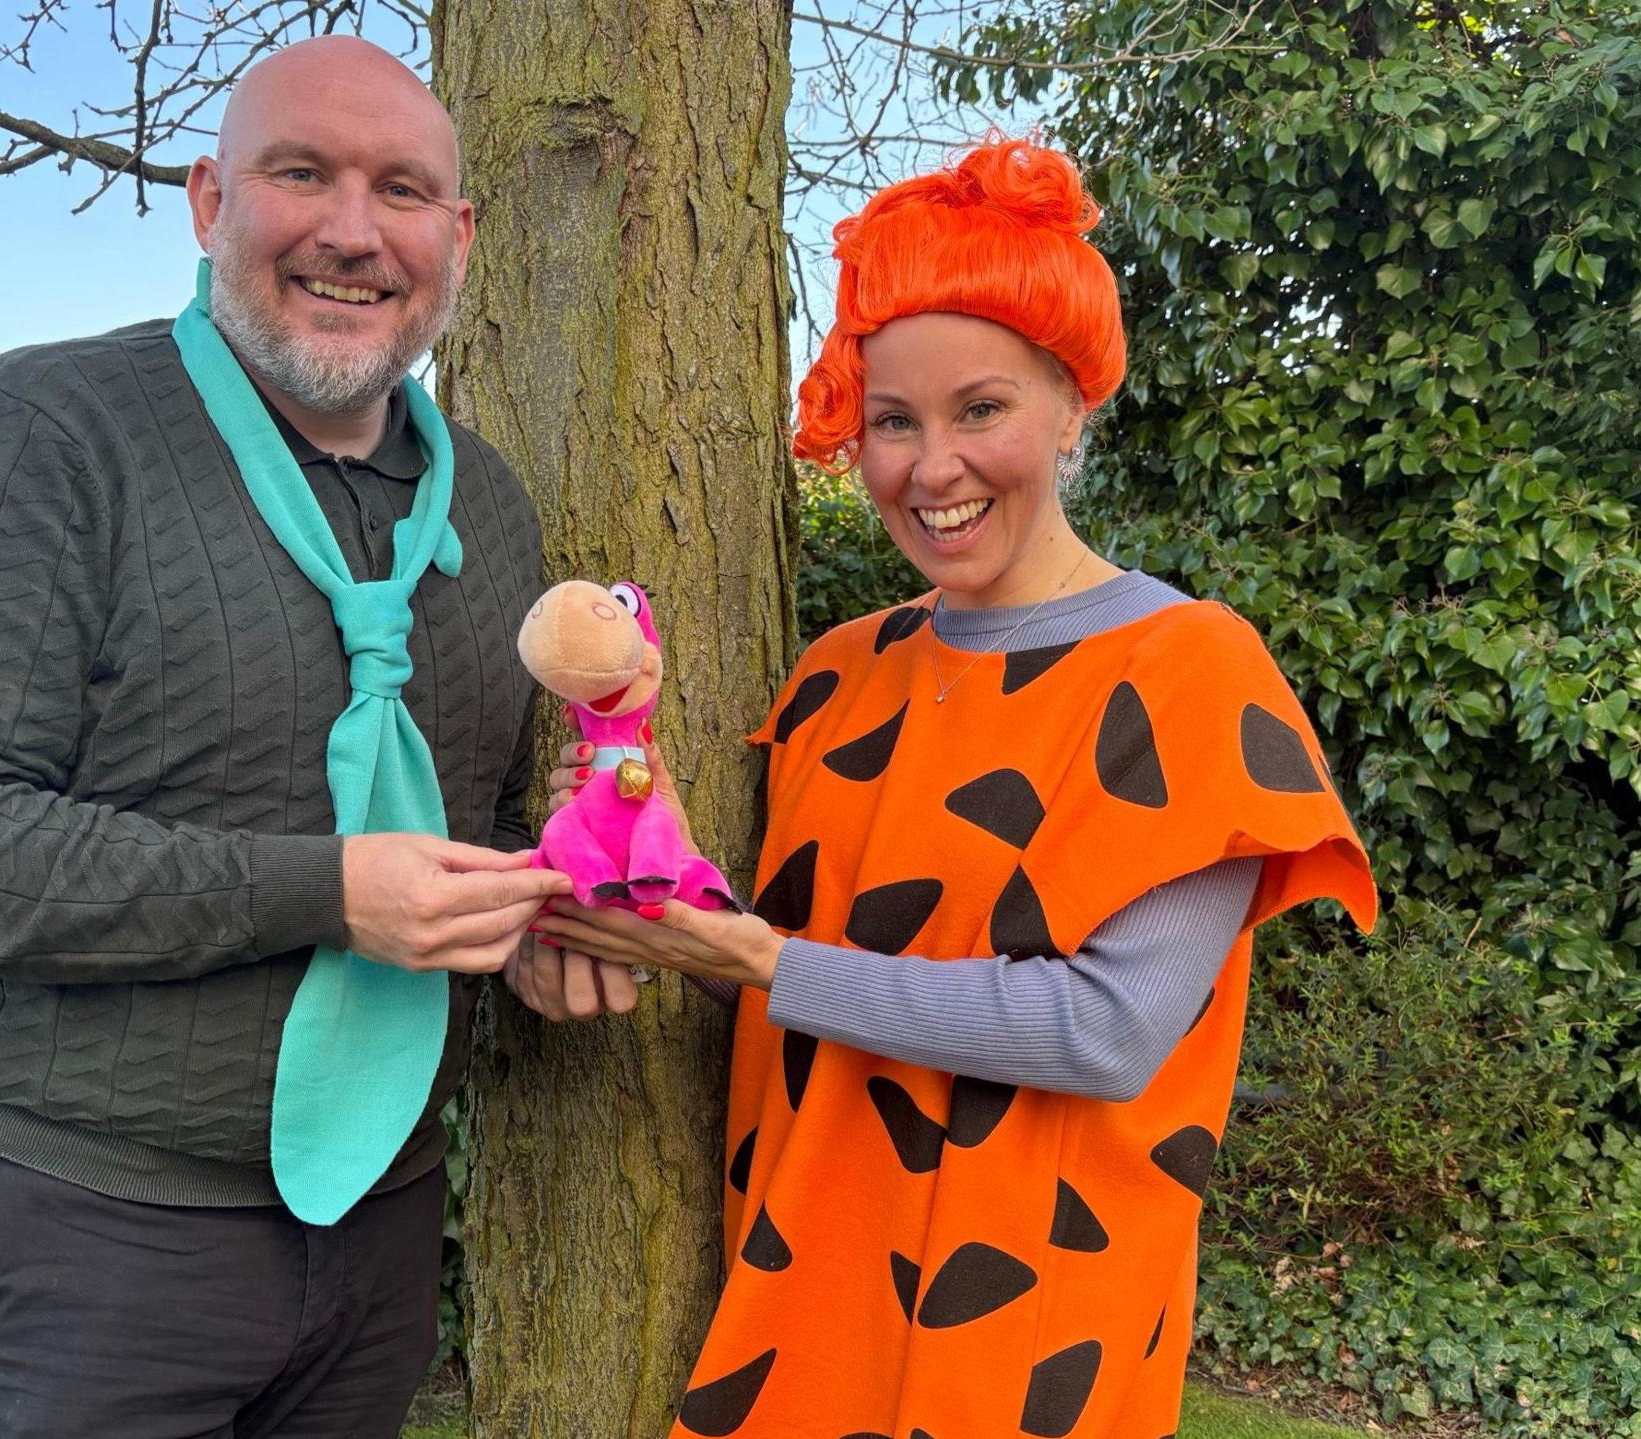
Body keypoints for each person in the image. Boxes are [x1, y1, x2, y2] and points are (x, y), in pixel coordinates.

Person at [518, 138, 1379, 1438]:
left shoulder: (1188, 671)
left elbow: (1108, 1032)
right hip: (801, 1304)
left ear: (1071, 410)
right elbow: (787, 973)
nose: (930, 468)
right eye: (893, 423)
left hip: (1030, 1339)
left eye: (981, 410)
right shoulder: (835, 676)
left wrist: (752, 957)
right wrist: (651, 884)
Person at [0, 35, 567, 1439]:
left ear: (455, 237)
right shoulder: (38, 433)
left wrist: (546, 920)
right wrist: (329, 892)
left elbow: (494, 820)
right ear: (210, 202)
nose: (353, 231)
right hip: (73, 1247)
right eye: (302, 174)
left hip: (380, 1246)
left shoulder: (494, 508)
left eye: (402, 191)